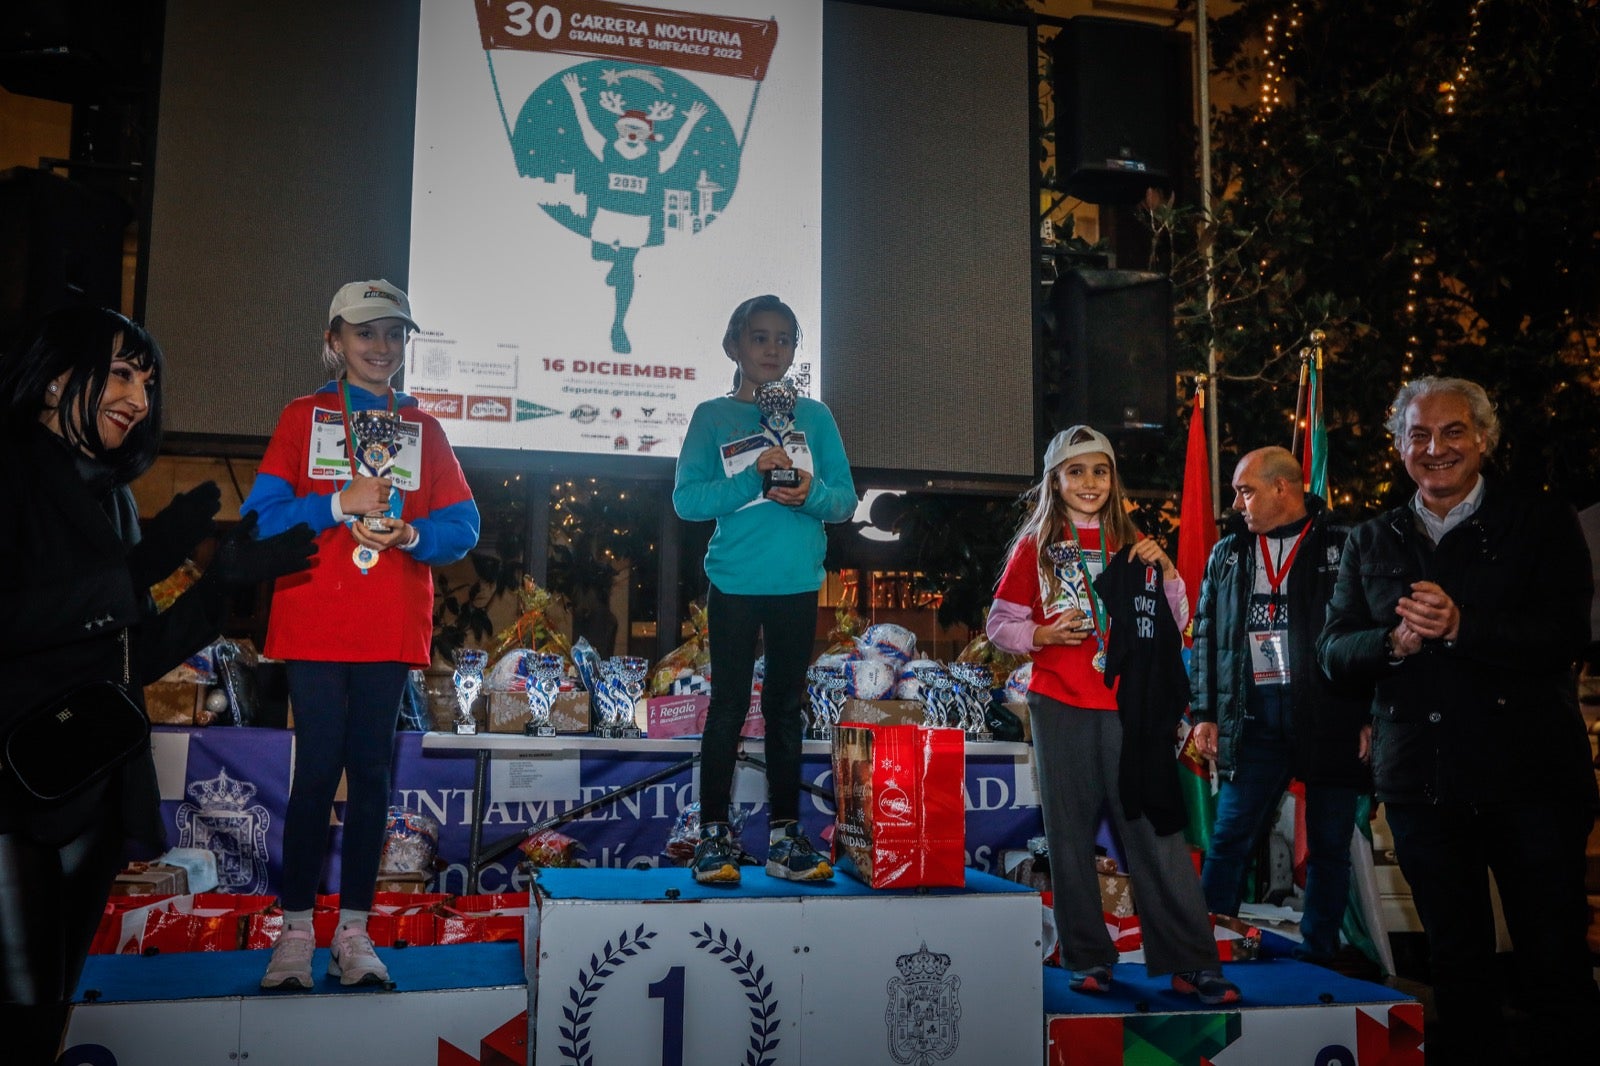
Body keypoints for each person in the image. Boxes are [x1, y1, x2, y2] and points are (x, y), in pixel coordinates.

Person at [0, 306, 314, 1063]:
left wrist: (219, 587)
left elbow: (131, 655)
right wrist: (137, 570)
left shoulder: (108, 495)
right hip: (10, 794)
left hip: (91, 793)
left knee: (48, 1023)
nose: (139, 397)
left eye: (148, 380)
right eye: (120, 372)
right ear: (52, 383)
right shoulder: (7, 469)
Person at [1318, 376, 1599, 1063]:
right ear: (1399, 447)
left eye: (1452, 432)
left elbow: (1566, 636)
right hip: (1422, 785)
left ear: (1483, 440)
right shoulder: (1370, 537)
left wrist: (1463, 626)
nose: (1435, 447)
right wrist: (1390, 643)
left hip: (1531, 783)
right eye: (1418, 434)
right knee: (1457, 965)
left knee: (1552, 961)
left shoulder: (1538, 522)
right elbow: (1332, 651)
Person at [243, 280, 479, 990]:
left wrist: (413, 532)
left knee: (373, 778)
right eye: (367, 333)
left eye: (395, 335)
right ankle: (293, 934)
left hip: (388, 628)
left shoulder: (424, 430)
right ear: (335, 339)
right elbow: (262, 520)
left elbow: (463, 527)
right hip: (313, 622)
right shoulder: (302, 416)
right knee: (315, 775)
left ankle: (354, 931)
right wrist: (335, 503)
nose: (382, 348)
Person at [987, 425, 1240, 1004]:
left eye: (1100, 471)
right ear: (1056, 480)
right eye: (1076, 471)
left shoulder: (1135, 542)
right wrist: (1041, 633)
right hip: (1060, 704)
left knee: (1155, 832)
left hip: (1131, 708)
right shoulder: (1036, 545)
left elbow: (1176, 621)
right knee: (1069, 836)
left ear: (1113, 479)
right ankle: (1088, 956)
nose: (1090, 482)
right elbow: (998, 624)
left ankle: (1191, 960)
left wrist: (1172, 574)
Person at [672, 294, 857, 886]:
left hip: (798, 584)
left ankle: (785, 834)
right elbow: (687, 500)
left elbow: (845, 501)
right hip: (733, 581)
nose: (772, 348)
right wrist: (751, 476)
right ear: (734, 345)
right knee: (726, 706)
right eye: (759, 337)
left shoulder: (817, 418)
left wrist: (810, 495)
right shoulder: (712, 417)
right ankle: (713, 834)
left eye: (784, 339)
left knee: (784, 708)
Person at [1190, 446, 1371, 965]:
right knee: (1229, 837)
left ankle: (1320, 951)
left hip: (1330, 714)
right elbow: (1206, 635)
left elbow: (1367, 633)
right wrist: (1205, 711)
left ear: (1282, 489)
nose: (1238, 503)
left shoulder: (1345, 543)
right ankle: (1205, 949)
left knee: (1330, 846)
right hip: (1254, 717)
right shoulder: (1228, 552)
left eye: (1246, 491)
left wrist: (1367, 715)